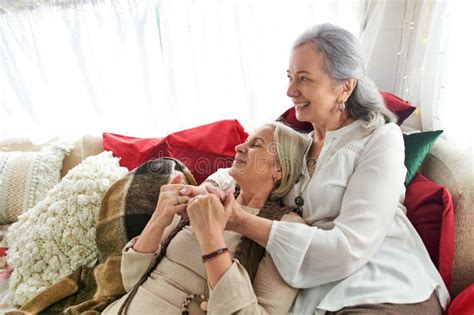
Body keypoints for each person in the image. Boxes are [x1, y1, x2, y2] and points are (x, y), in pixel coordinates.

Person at [182, 23, 450, 314]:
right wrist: (205, 190)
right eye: (290, 77)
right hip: (314, 297)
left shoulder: (380, 139)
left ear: (345, 87)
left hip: (384, 287)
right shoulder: (298, 144)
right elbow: (243, 175)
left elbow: (351, 246)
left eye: (304, 79)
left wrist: (241, 221)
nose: (290, 90)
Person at [101, 121, 308, 314]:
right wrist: (159, 217)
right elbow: (131, 279)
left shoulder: (286, 228)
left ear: (279, 169)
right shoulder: (204, 200)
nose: (239, 148)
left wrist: (211, 238)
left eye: (256, 145)